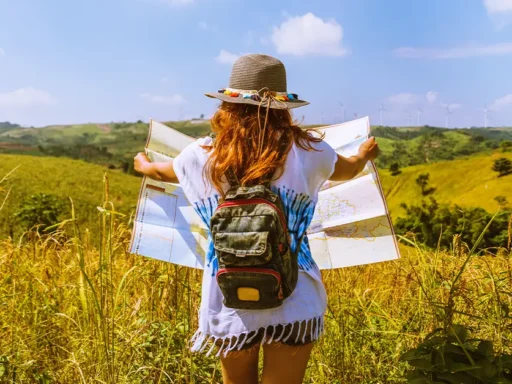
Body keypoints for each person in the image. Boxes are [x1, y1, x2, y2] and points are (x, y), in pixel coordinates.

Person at [134, 54, 378, 384]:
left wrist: (144, 166)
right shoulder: (311, 152)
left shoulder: (202, 155)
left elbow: (165, 171)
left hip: (228, 295)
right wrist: (363, 155)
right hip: (295, 295)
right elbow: (348, 169)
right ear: (283, 106)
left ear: (228, 105)